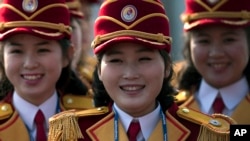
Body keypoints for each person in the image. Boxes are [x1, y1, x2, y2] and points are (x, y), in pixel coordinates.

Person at [48, 0, 235, 141]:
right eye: (116, 60)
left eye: (144, 59)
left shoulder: (204, 134)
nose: (130, 74)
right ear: (99, 71)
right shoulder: (73, 134)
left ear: (167, 67)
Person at [0, 0, 93, 140]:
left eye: (42, 50)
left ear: (67, 55)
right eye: (17, 51)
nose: (29, 64)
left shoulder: (93, 122)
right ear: (1, 57)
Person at [173, 0, 250, 124]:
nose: (216, 53)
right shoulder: (167, 110)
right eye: (204, 41)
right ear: (189, 45)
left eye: (229, 40)